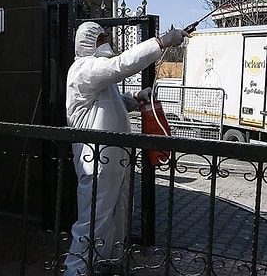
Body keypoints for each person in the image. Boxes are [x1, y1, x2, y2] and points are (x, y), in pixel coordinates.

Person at [63, 21, 188, 276]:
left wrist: (134, 100)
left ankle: (106, 262)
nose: (105, 42)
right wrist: (162, 41)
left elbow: (110, 103)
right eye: (101, 39)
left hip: (115, 161)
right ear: (88, 42)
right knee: (94, 219)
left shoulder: (98, 76)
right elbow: (121, 65)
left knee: (116, 216)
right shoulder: (84, 69)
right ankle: (74, 270)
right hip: (96, 162)